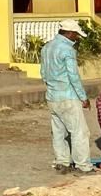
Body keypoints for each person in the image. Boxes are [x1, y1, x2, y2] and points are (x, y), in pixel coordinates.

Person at [40, 18, 94, 174]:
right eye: (76, 35)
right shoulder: (67, 50)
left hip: (52, 96)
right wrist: (83, 97)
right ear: (70, 33)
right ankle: (83, 166)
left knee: (58, 132)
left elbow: (43, 73)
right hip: (68, 95)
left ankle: (62, 162)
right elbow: (73, 76)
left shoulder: (47, 48)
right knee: (80, 132)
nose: (76, 38)